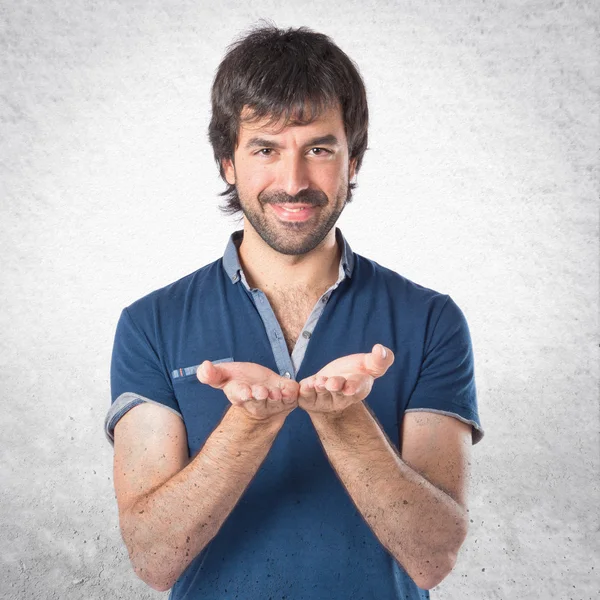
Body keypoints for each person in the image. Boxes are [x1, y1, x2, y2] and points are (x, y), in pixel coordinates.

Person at [105, 24, 484, 600]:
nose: (293, 181)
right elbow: (154, 558)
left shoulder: (432, 321)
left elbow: (433, 557)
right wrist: (249, 425)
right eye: (265, 148)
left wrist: (343, 420)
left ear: (352, 161)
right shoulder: (149, 326)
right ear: (227, 162)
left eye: (319, 149)